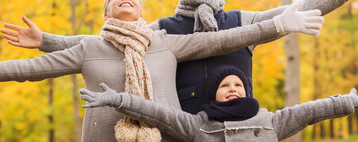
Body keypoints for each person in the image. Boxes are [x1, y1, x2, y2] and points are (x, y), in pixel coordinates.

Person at [3, 0, 358, 114]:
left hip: (237, 122)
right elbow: (104, 44)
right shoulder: (161, 30)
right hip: (182, 128)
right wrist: (48, 41)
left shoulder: (243, 20)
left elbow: (295, 11)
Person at [0, 0, 323, 142]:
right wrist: (42, 42)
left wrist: (280, 24)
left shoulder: (163, 41)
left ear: (143, 11)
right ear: (106, 12)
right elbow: (29, 69)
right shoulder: (89, 47)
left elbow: (224, 39)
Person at [80, 65, 358, 142]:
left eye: (238, 85)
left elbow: (310, 111)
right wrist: (118, 99)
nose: (233, 89)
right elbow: (157, 114)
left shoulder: (270, 121)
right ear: (214, 95)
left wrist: (349, 101)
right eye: (225, 86)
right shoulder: (198, 124)